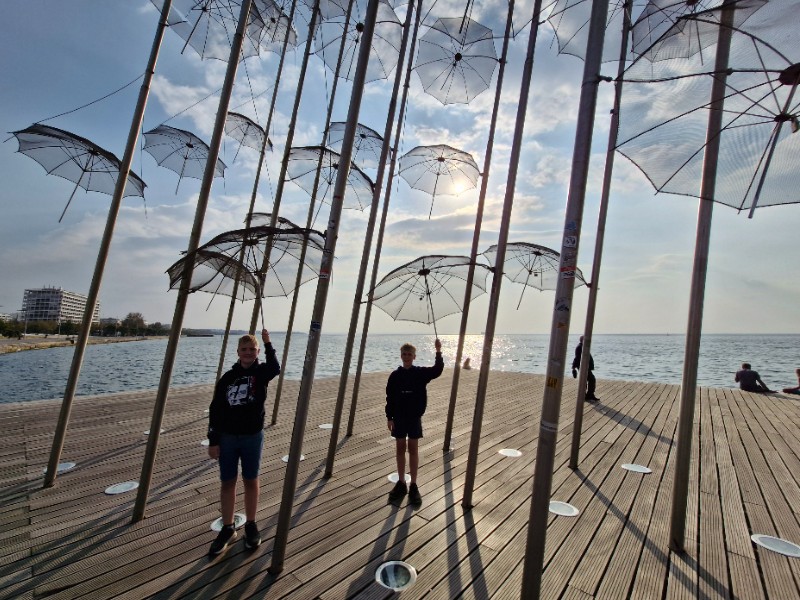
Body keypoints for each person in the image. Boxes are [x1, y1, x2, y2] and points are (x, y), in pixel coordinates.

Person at [207, 328, 280, 557]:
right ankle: (228, 527)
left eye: (252, 349)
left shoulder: (261, 373)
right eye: (244, 349)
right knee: (227, 482)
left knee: (251, 479)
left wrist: (268, 343)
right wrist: (213, 440)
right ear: (238, 352)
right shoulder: (228, 378)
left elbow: (275, 367)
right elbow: (215, 410)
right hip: (228, 437)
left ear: (257, 352)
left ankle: (250, 523)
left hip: (252, 436)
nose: (248, 353)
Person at [386, 339, 444, 506]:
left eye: (409, 354)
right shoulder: (395, 376)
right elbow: (389, 398)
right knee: (399, 448)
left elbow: (437, 370)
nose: (406, 357)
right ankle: (401, 482)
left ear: (414, 356)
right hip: (398, 417)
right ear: (401, 355)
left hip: (414, 418)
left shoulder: (420, 373)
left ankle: (413, 485)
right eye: (404, 354)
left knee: (413, 449)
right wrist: (389, 417)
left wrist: (438, 351)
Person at [572, 335, 598, 401]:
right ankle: (587, 395)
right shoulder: (580, 347)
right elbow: (577, 358)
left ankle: (588, 395)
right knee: (590, 379)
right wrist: (573, 367)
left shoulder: (583, 347)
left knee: (588, 380)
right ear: (583, 340)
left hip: (586, 367)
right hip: (583, 367)